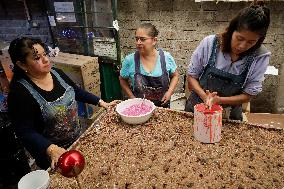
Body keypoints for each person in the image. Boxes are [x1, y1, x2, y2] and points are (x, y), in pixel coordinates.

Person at [7, 37, 115, 169]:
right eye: (37, 58)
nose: (46, 60)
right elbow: (24, 131)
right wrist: (50, 149)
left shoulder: (57, 73)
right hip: (54, 157)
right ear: (22, 64)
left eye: (45, 54)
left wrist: (100, 102)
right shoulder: (19, 93)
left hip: (76, 141)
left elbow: (75, 91)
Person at [185, 1, 270, 120]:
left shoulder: (260, 56)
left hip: (229, 114)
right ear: (231, 31)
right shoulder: (210, 43)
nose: (242, 46)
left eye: (251, 42)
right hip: (198, 105)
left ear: (259, 40)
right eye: (239, 38)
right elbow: (192, 76)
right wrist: (205, 96)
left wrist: (219, 100)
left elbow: (248, 95)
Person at [119, 23, 179, 108]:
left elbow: (175, 76)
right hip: (139, 107)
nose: (138, 42)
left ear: (154, 40)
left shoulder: (166, 58)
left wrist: (169, 92)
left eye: (142, 39)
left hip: (162, 106)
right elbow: (122, 79)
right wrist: (132, 97)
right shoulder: (130, 60)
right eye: (136, 39)